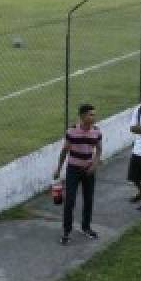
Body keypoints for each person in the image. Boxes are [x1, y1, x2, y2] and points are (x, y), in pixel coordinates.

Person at [53, 104, 102, 245]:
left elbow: (99, 150)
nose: (93, 117)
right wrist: (58, 168)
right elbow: (64, 151)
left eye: (94, 115)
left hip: (88, 170)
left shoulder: (97, 132)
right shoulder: (72, 131)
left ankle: (86, 227)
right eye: (90, 115)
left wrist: (94, 164)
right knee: (70, 201)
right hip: (73, 169)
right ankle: (66, 232)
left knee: (88, 200)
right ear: (82, 116)